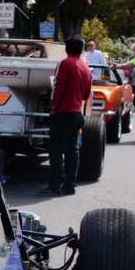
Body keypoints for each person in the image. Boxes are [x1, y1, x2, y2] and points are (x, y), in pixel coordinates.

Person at [39, 36, 92, 197]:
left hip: (63, 112)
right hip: (76, 112)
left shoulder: (65, 63)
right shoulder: (85, 66)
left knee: (55, 149)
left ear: (66, 48)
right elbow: (86, 93)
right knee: (71, 150)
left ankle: (54, 185)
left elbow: (58, 87)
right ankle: (70, 185)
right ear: (82, 49)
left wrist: (53, 107)